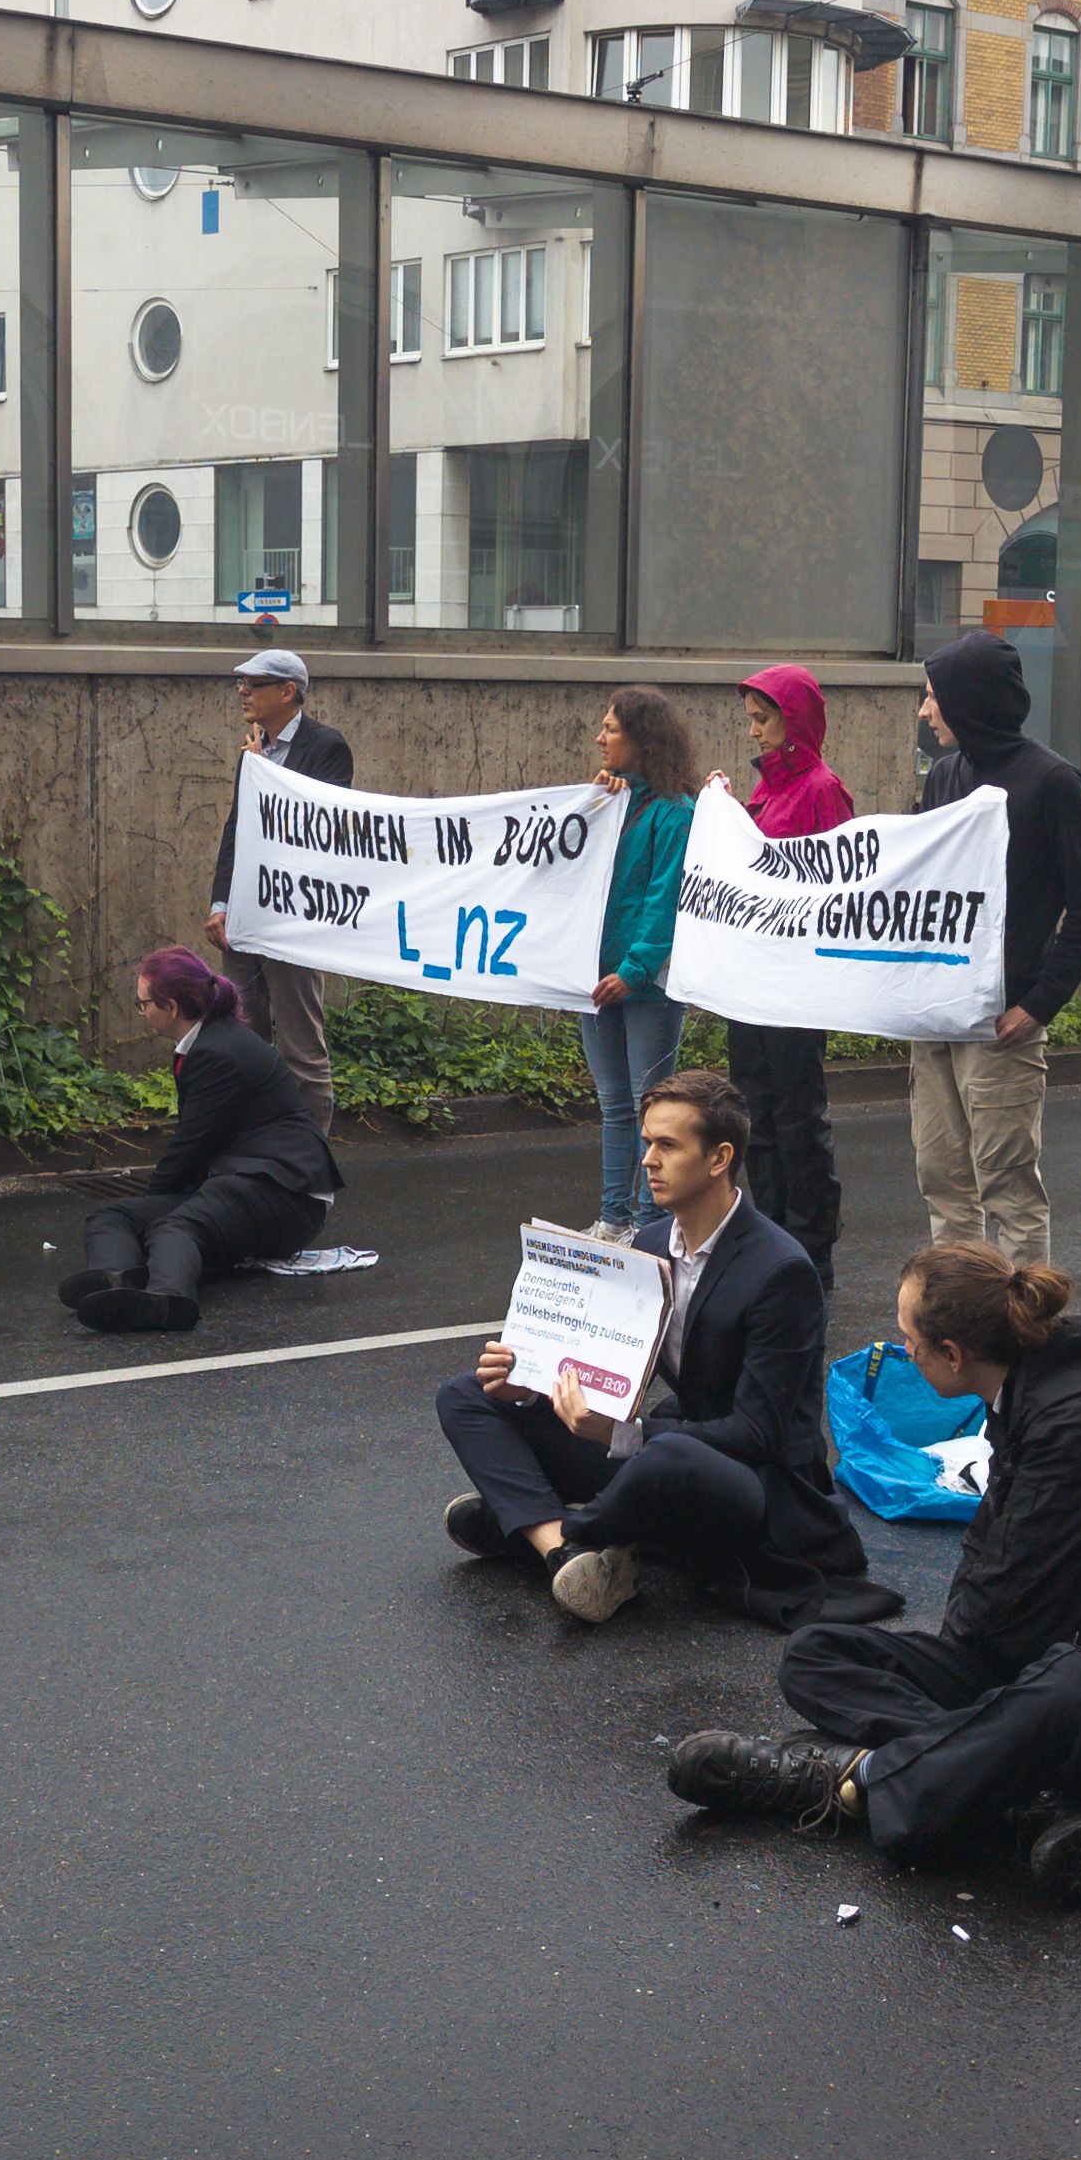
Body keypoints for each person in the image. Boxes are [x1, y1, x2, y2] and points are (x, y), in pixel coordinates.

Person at [663, 1244, 1081, 1909]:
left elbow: (998, 1621)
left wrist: (968, 1666)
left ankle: (850, 1783)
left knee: (1065, 1683)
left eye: (910, 1342)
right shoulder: (1033, 1395)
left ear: (952, 1353)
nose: (904, 1352)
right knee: (816, 1652)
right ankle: (1022, 1796)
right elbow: (988, 1606)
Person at [435, 1071, 901, 1631]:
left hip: (754, 1482)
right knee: (466, 1394)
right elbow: (611, 1366)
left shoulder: (781, 1271)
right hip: (668, 1453)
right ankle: (560, 1548)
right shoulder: (651, 1244)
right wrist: (528, 1385)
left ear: (719, 1158)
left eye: (668, 1145)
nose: (648, 1160)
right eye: (647, 1142)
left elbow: (756, 1435)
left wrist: (622, 1435)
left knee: (666, 1454)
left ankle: (539, 1524)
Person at [910, 630, 1081, 1271]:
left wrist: (1038, 1005)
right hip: (937, 1019)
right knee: (942, 1179)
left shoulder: (1053, 782)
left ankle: (1027, 1321)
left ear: (970, 701)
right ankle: (958, 1312)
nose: (925, 711)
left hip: (1002, 1023)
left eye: (934, 697)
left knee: (1009, 1189)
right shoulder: (945, 775)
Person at [63, 950, 342, 1334]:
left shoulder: (218, 1052)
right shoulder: (207, 1041)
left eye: (143, 1004)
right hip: (244, 1181)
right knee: (112, 1217)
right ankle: (115, 1281)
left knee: (174, 1227)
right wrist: (144, 1211)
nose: (141, 1012)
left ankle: (169, 1300)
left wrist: (153, 1209)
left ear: (171, 1006)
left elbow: (189, 1147)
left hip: (286, 1193)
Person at [722, 665, 850, 1288]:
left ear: (793, 719)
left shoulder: (822, 789)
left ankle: (810, 1252)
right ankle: (772, 1238)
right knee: (756, 1114)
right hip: (753, 979)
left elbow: (839, 883)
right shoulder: (765, 790)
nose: (754, 731)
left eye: (763, 718)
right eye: (750, 719)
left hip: (796, 982)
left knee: (799, 1117)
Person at [202, 647, 353, 1132]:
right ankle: (253, 1146)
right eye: (241, 684)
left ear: (288, 691)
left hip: (294, 918)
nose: (243, 692)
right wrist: (222, 903)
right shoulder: (252, 750)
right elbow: (237, 829)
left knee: (300, 1049)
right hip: (247, 915)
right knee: (242, 1039)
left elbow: (323, 828)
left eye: (254, 684)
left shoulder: (325, 746)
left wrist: (267, 774)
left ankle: (309, 1157)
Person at [578, 689, 700, 1242]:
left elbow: (664, 897)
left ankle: (650, 1225)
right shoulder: (611, 802)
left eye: (611, 729)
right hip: (596, 978)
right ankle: (614, 1219)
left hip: (644, 985)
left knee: (649, 1107)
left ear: (642, 739)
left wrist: (634, 969)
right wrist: (593, 804)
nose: (600, 738)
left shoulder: (676, 814)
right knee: (614, 1105)